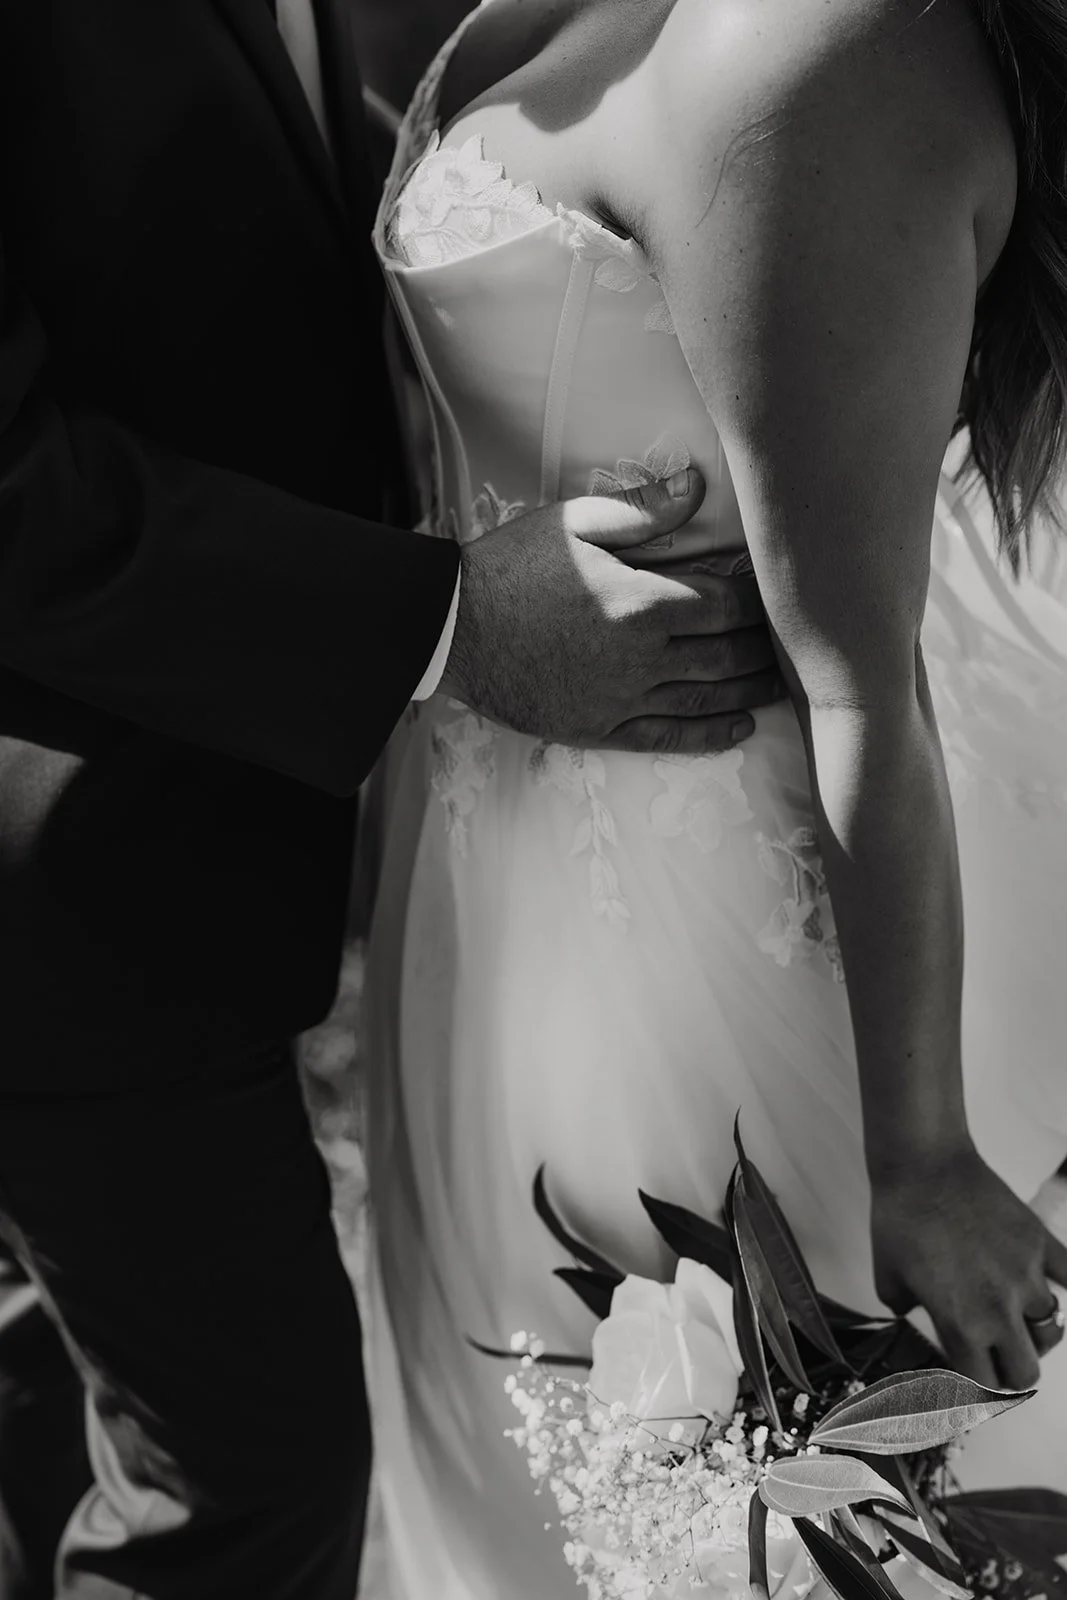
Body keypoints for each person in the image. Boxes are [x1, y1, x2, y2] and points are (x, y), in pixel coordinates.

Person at [0, 3, 779, 1597]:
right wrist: (444, 624)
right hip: (69, 866)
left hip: (212, 812)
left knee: (78, 1384)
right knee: (253, 1483)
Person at [361, 0, 1067, 1594]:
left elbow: (857, 678)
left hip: (734, 952)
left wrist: (921, 1158)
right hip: (498, 878)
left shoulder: (821, 55)